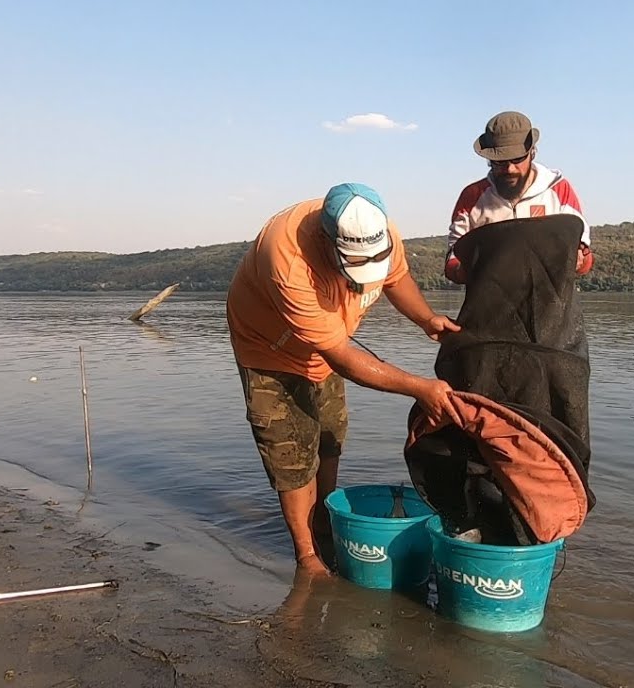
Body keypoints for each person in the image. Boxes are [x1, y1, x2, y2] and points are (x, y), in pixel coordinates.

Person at [226, 182, 463, 576]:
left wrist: (426, 319)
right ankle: (307, 557)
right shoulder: (287, 259)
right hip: (269, 349)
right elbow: (342, 357)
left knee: (329, 436)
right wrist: (420, 389)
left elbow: (396, 277)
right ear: (326, 240)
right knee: (292, 452)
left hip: (328, 341)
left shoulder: (381, 230)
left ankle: (325, 523)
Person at [443, 110, 596, 284]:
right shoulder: (472, 196)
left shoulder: (560, 190)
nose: (509, 169)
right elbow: (452, 259)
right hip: (490, 299)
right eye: (500, 161)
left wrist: (580, 258)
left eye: (517, 159)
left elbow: (584, 260)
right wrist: (465, 270)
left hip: (548, 299)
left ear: (532, 153)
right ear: (489, 159)